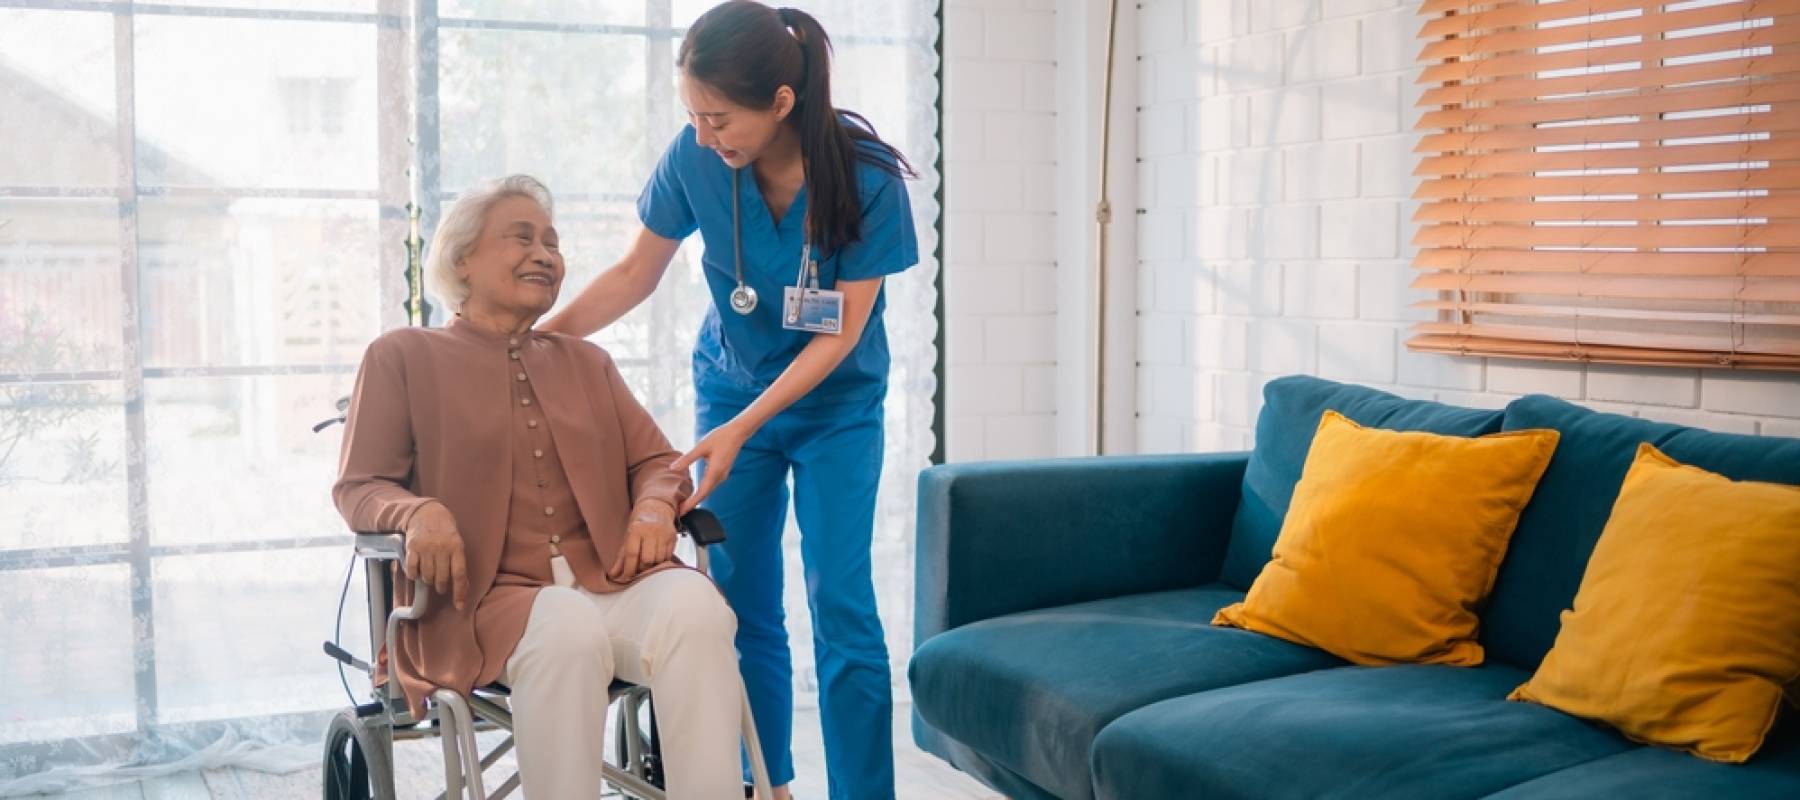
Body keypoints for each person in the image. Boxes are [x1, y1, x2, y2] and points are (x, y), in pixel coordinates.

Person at [540, 3, 920, 797]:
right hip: (731, 384)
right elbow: (634, 273)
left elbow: (840, 336)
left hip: (836, 407)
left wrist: (743, 427)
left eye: (718, 119)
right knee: (741, 605)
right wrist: (536, 340)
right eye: (693, 116)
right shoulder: (698, 156)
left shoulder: (867, 178)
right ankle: (764, 784)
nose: (704, 136)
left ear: (781, 101)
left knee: (842, 604)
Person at [335, 174, 745, 798]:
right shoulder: (402, 356)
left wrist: (655, 508)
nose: (545, 254)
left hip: (610, 580)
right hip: (483, 604)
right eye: (522, 238)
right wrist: (417, 513)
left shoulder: (586, 362)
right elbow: (360, 485)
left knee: (696, 607)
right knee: (565, 625)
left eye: (552, 243)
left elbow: (658, 460)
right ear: (462, 258)